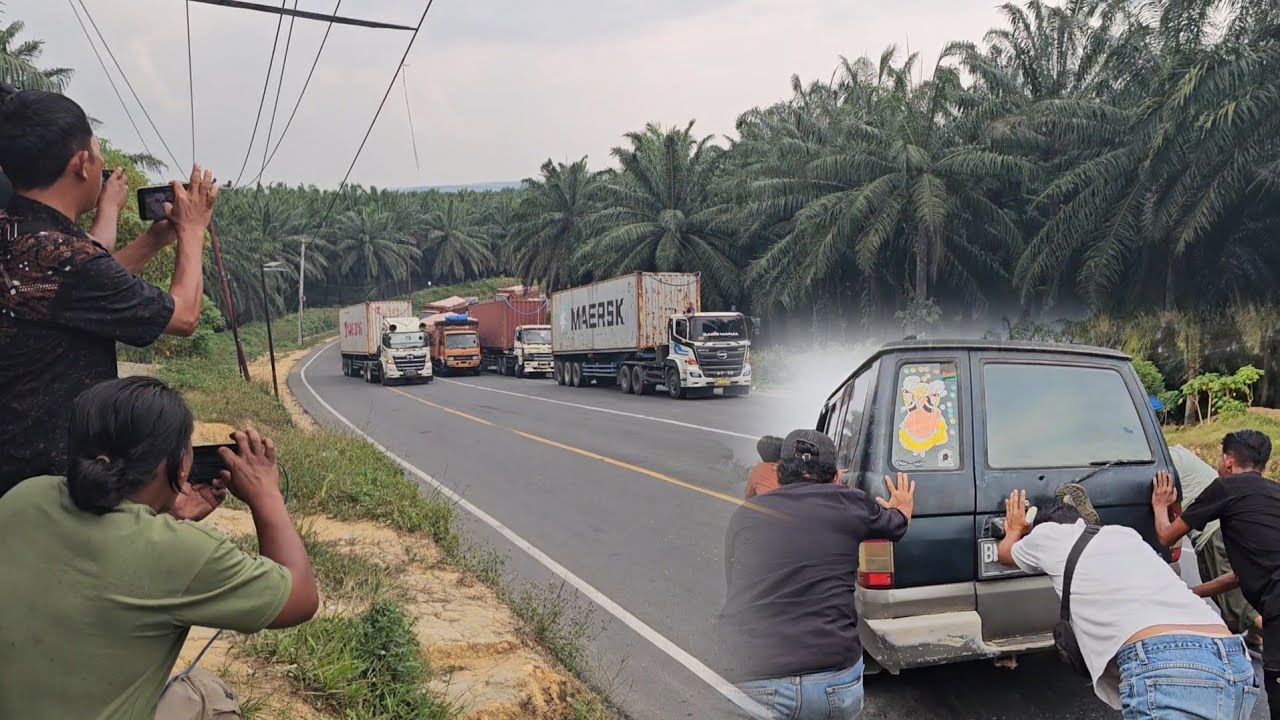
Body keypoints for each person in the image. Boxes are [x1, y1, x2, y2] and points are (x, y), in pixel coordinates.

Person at [0, 376, 319, 720]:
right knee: (207, 696)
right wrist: (265, 494)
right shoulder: (184, 553)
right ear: (181, 465)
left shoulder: (24, 497)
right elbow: (300, 599)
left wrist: (164, 514)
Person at [0, 87, 218, 496]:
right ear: (82, 163)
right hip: (48, 487)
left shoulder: (23, 236)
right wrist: (193, 231)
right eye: (98, 154)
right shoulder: (65, 257)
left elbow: (75, 291)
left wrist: (155, 240)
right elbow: (184, 315)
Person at [997, 489, 1256, 718]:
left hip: (1166, 662)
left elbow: (1005, 553)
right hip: (1232, 657)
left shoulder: (1046, 535)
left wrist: (1016, 529)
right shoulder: (1123, 534)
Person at [718, 429, 915, 719]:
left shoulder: (745, 515)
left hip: (756, 676)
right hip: (835, 678)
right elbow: (896, 526)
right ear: (836, 476)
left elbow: (733, 586)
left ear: (780, 474)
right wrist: (903, 508)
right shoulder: (850, 503)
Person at [1154, 429, 1280, 719]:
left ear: (1228, 461)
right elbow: (1236, 577)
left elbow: (1165, 536)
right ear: (1265, 465)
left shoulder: (1225, 486)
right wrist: (1188, 594)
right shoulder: (1274, 493)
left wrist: (1161, 506)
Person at [1169, 444, 1262, 641]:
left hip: (1214, 532)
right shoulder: (1180, 454)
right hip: (1230, 527)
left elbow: (1167, 521)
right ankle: (1255, 640)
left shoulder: (1167, 460)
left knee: (1239, 608)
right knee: (1244, 599)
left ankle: (1260, 635)